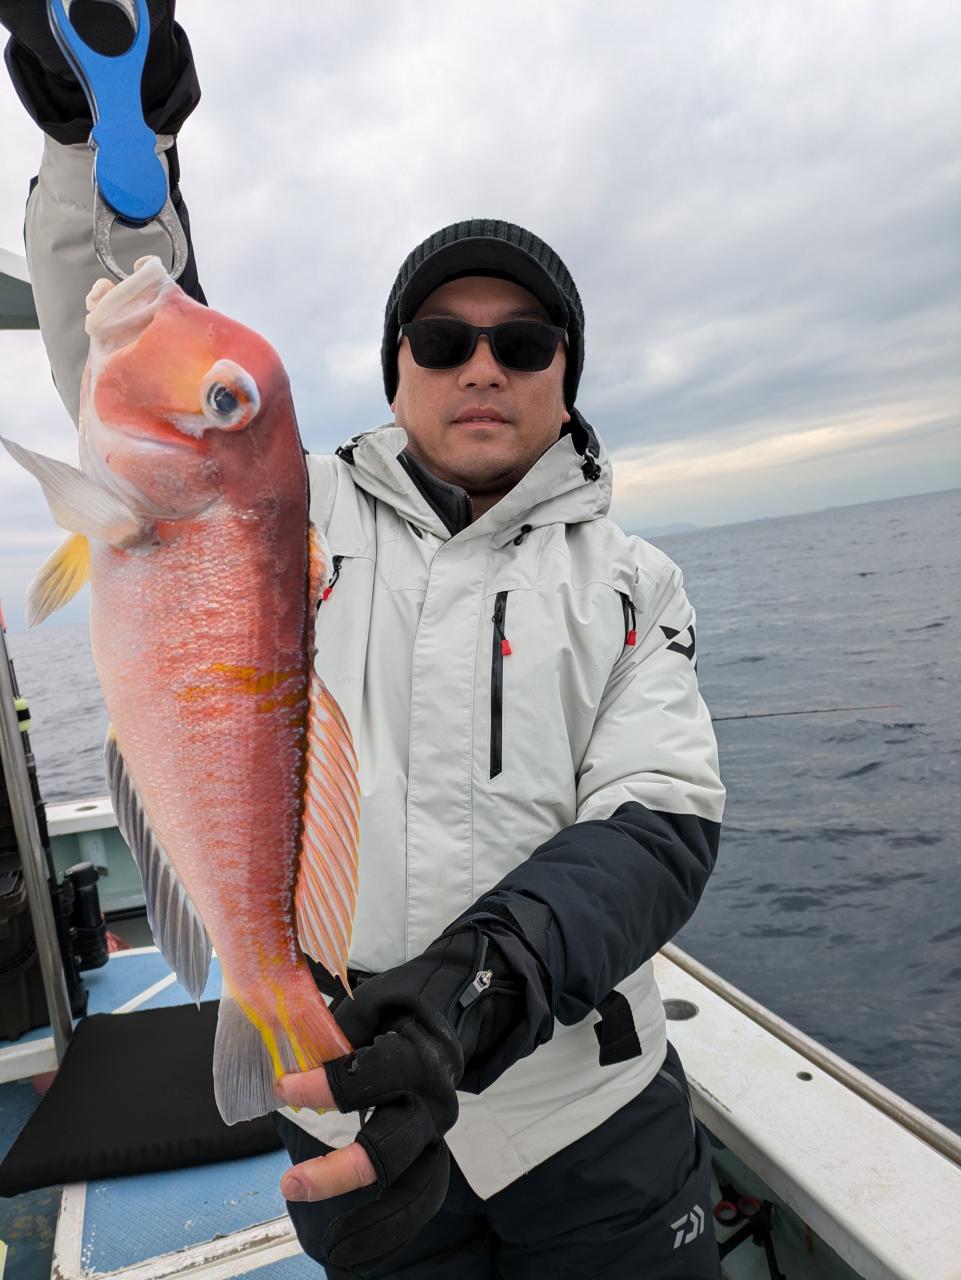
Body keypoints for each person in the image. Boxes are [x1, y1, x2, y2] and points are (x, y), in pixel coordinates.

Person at [2, 6, 725, 1277]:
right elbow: (139, 332)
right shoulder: (284, 505)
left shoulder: (633, 580)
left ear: (566, 374)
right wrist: (102, 147)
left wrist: (485, 982)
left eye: (523, 342)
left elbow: (657, 820)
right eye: (443, 340)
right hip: (345, 1091)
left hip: (586, 1109)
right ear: (397, 368)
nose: (481, 366)